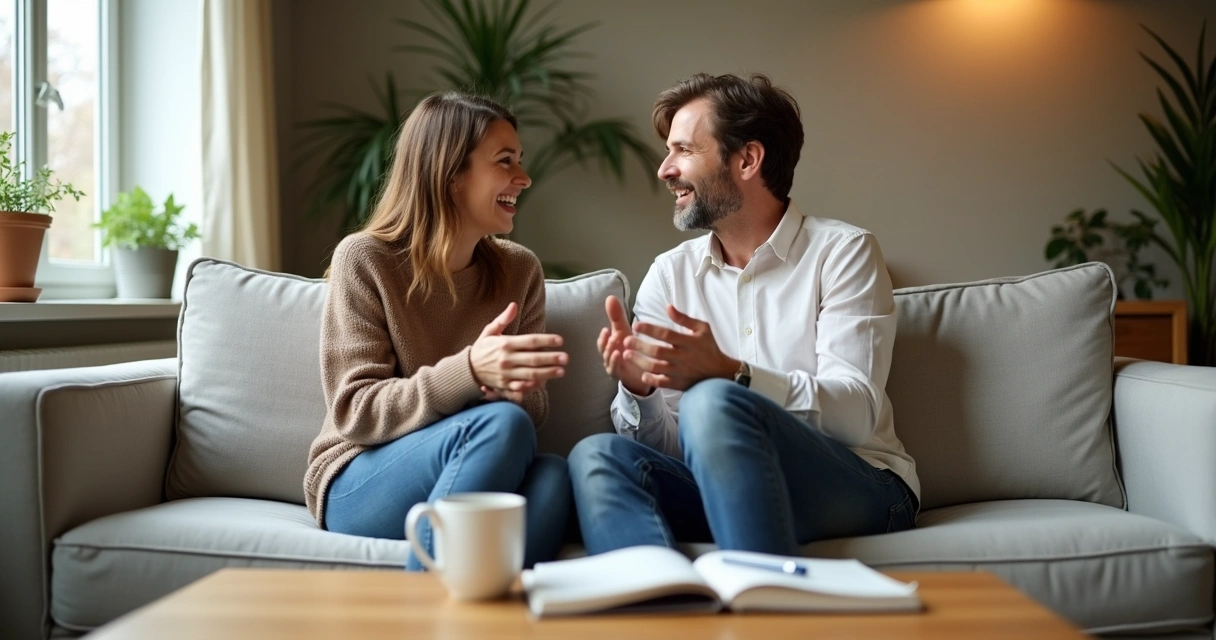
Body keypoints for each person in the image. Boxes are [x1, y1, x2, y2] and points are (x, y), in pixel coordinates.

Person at [568, 73, 920, 557]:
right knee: (599, 455)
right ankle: (655, 603)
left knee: (714, 399)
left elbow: (857, 415)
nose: (664, 169)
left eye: (684, 150)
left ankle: (762, 600)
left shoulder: (843, 252)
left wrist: (733, 375)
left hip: (859, 484)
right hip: (723, 487)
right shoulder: (671, 275)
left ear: (748, 159)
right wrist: (641, 390)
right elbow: (670, 449)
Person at [304, 92, 571, 571]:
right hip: (360, 476)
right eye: (505, 161)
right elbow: (355, 411)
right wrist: (470, 371)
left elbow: (531, 412)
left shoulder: (520, 270)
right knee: (503, 426)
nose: (524, 178)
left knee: (556, 476)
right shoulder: (365, 260)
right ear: (451, 176)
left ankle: (483, 615)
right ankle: (423, 608)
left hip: (470, 461)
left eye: (520, 161)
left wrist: (509, 386)